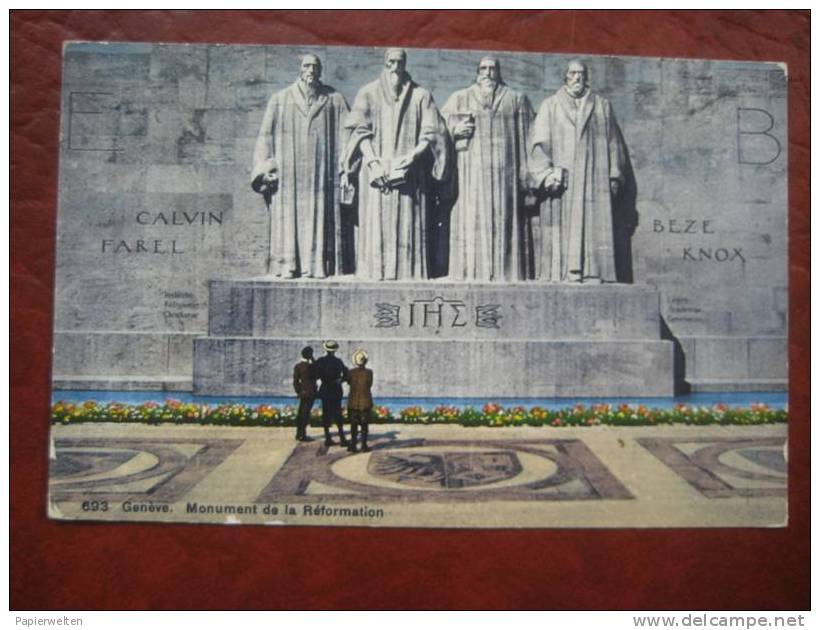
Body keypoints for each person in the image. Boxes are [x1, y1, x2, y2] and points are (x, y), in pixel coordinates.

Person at [342, 48, 451, 280]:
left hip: (411, 174)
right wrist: (372, 162)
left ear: (405, 64)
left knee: (408, 226)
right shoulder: (368, 93)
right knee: (376, 226)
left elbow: (432, 132)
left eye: (399, 62)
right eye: (391, 62)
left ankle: (409, 273)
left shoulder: (421, 95)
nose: (395, 67)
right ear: (385, 63)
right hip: (376, 171)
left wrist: (412, 156)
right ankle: (373, 272)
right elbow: (358, 131)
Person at [251, 54, 351, 278]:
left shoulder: (333, 99)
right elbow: (264, 137)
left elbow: (350, 132)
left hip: (322, 175)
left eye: (315, 66)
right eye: (307, 66)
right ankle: (288, 265)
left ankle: (317, 266)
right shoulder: (280, 99)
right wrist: (265, 169)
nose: (311, 70)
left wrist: (346, 167)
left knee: (320, 217)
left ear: (321, 71)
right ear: (300, 69)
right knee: (289, 220)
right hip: (289, 175)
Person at [529, 59, 628, 283]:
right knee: (563, 229)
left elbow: (613, 142)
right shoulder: (550, 105)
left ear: (586, 77)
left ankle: (595, 272)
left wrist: (614, 174)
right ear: (565, 77)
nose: (577, 78)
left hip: (595, 177)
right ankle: (563, 272)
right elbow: (539, 143)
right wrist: (545, 174)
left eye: (581, 74)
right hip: (564, 180)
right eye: (572, 74)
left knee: (595, 227)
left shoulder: (602, 105)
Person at [442, 57, 535, 281]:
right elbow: (439, 126)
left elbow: (530, 137)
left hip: (506, 174)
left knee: (506, 221)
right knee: (471, 219)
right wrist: (455, 129)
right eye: (483, 69)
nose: (488, 73)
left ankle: (507, 272)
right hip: (471, 173)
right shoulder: (460, 98)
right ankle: (470, 271)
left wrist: (527, 177)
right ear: (477, 72)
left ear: (499, 72)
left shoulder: (515, 99)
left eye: (492, 69)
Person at [309, 340, 349, 448]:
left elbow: (314, 374)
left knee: (326, 414)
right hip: (336, 389)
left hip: (325, 389)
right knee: (338, 414)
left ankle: (328, 438)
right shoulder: (338, 361)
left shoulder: (320, 361)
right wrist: (340, 380)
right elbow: (346, 373)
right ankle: (342, 438)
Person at [346, 349, 374, 453]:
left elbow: (348, 382)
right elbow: (369, 384)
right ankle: (363, 445)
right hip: (365, 401)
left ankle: (353, 444)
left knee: (353, 425)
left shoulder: (351, 372)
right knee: (364, 425)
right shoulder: (369, 372)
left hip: (353, 401)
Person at [292, 346, 316, 442]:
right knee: (305, 414)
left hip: (303, 392)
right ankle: (303, 434)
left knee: (301, 413)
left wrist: (298, 391)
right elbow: (317, 374)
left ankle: (299, 433)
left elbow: (295, 381)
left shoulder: (298, 366)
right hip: (310, 393)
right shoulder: (311, 366)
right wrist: (313, 360)